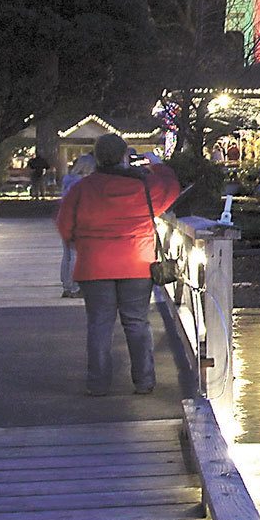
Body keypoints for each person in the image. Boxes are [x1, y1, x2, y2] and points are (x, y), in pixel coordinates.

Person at [56, 134, 180, 397]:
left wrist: (82, 244)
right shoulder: (144, 187)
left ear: (97, 158)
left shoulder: (81, 188)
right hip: (136, 264)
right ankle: (144, 381)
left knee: (99, 325)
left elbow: (64, 224)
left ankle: (98, 384)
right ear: (125, 157)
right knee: (137, 323)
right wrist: (156, 164)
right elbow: (171, 187)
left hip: (94, 265)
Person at [57, 154, 96, 298]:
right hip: (78, 221)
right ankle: (75, 286)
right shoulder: (82, 183)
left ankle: (66, 285)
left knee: (67, 255)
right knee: (76, 255)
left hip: (65, 219)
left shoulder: (68, 180)